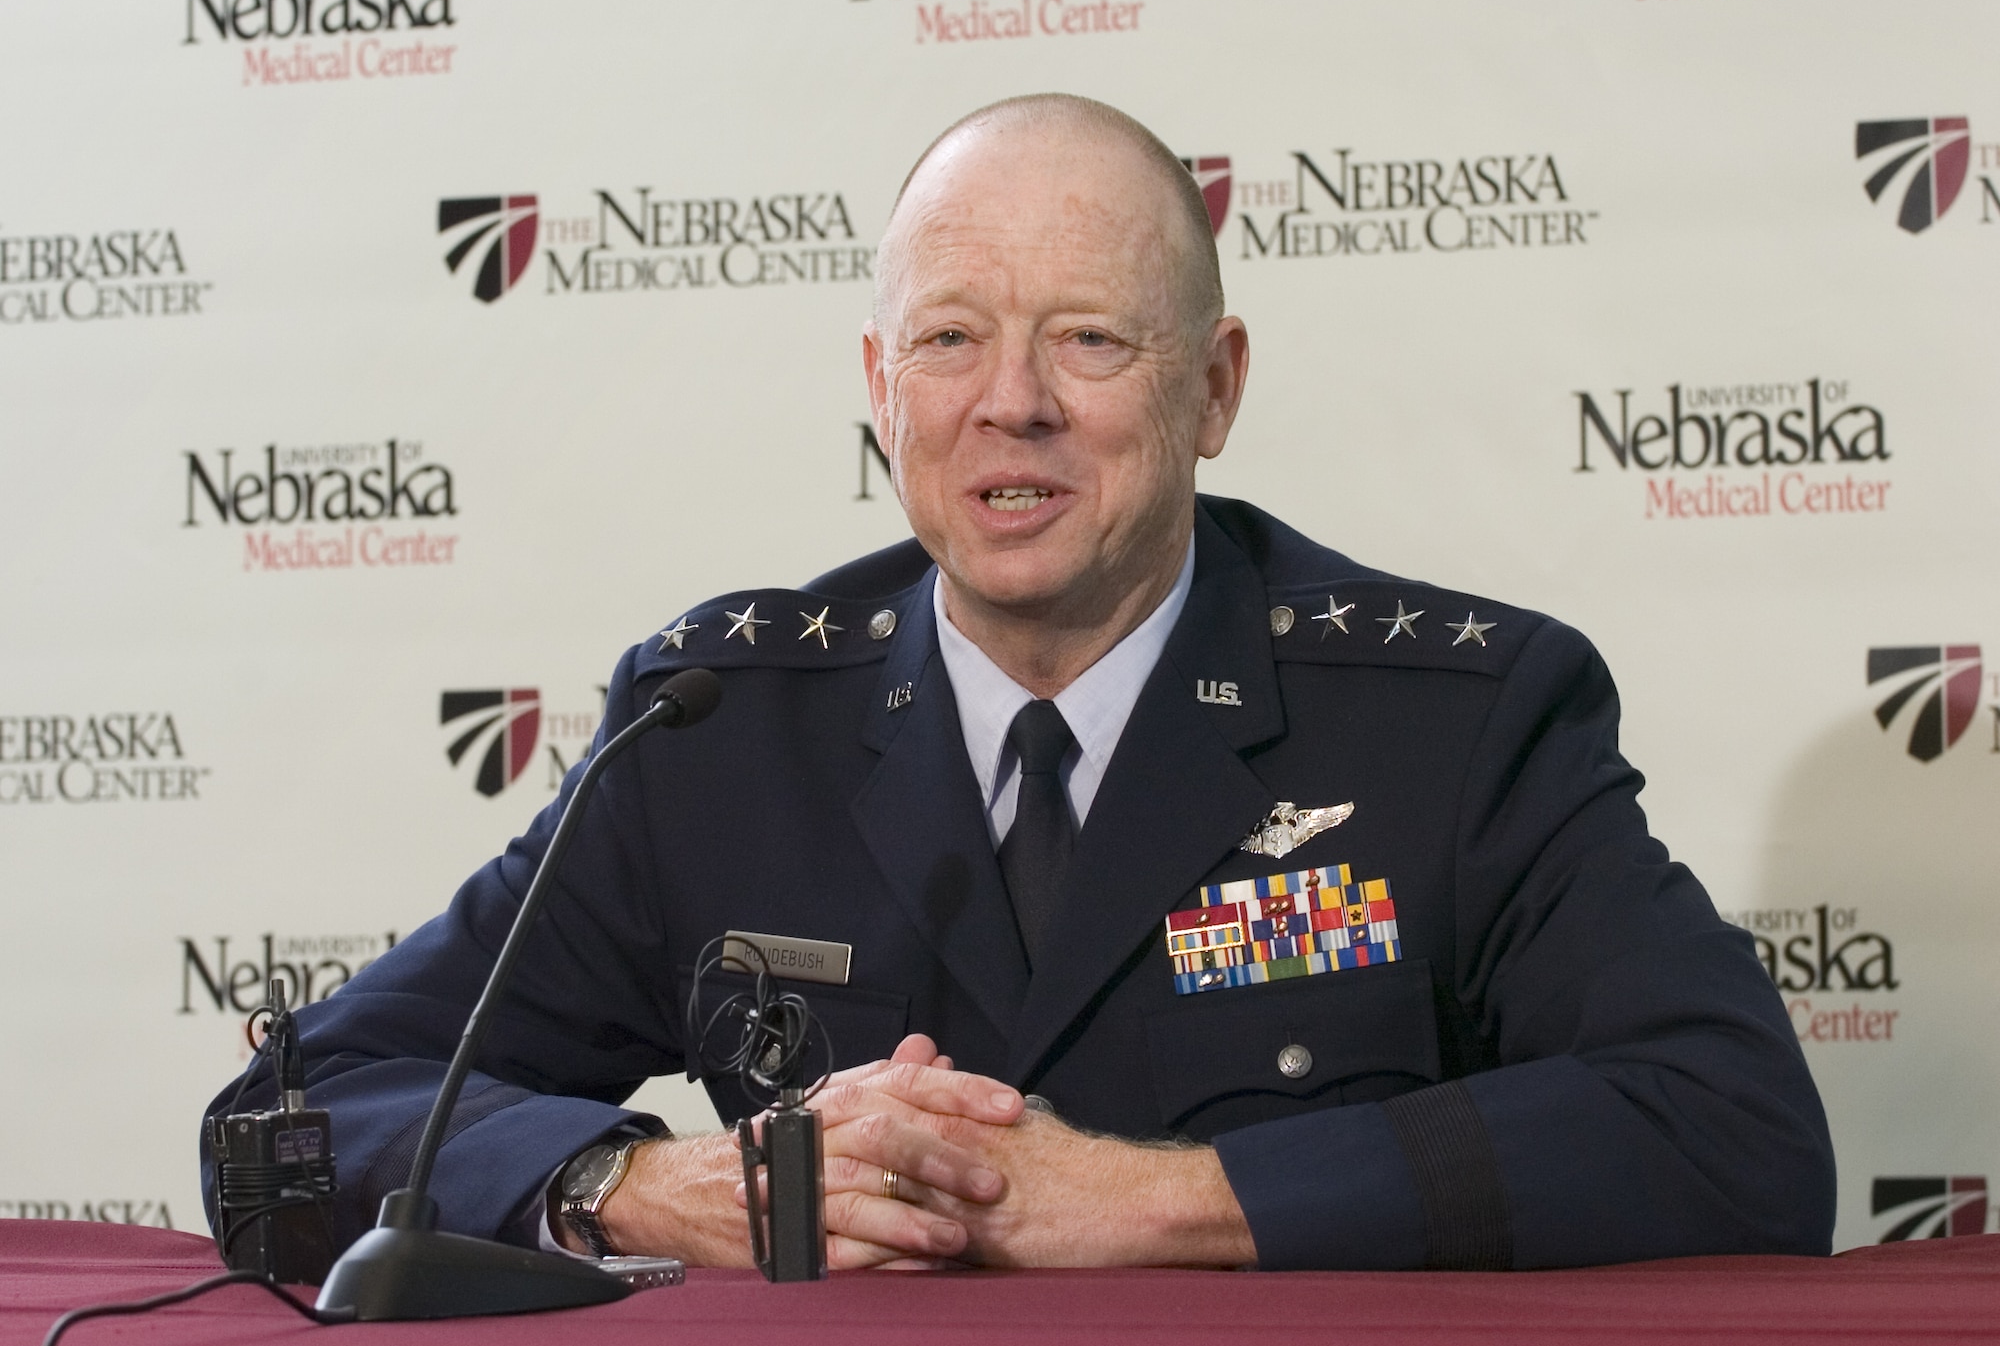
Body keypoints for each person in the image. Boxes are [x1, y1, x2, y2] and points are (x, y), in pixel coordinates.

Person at [202, 94, 1835, 1272]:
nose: (1014, 405)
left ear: (1215, 387)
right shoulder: (710, 725)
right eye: (950, 342)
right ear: (875, 387)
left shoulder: (1460, 719)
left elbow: (1735, 1129)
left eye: (1092, 343)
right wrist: (650, 1186)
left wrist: (1156, 1202)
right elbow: (289, 1119)